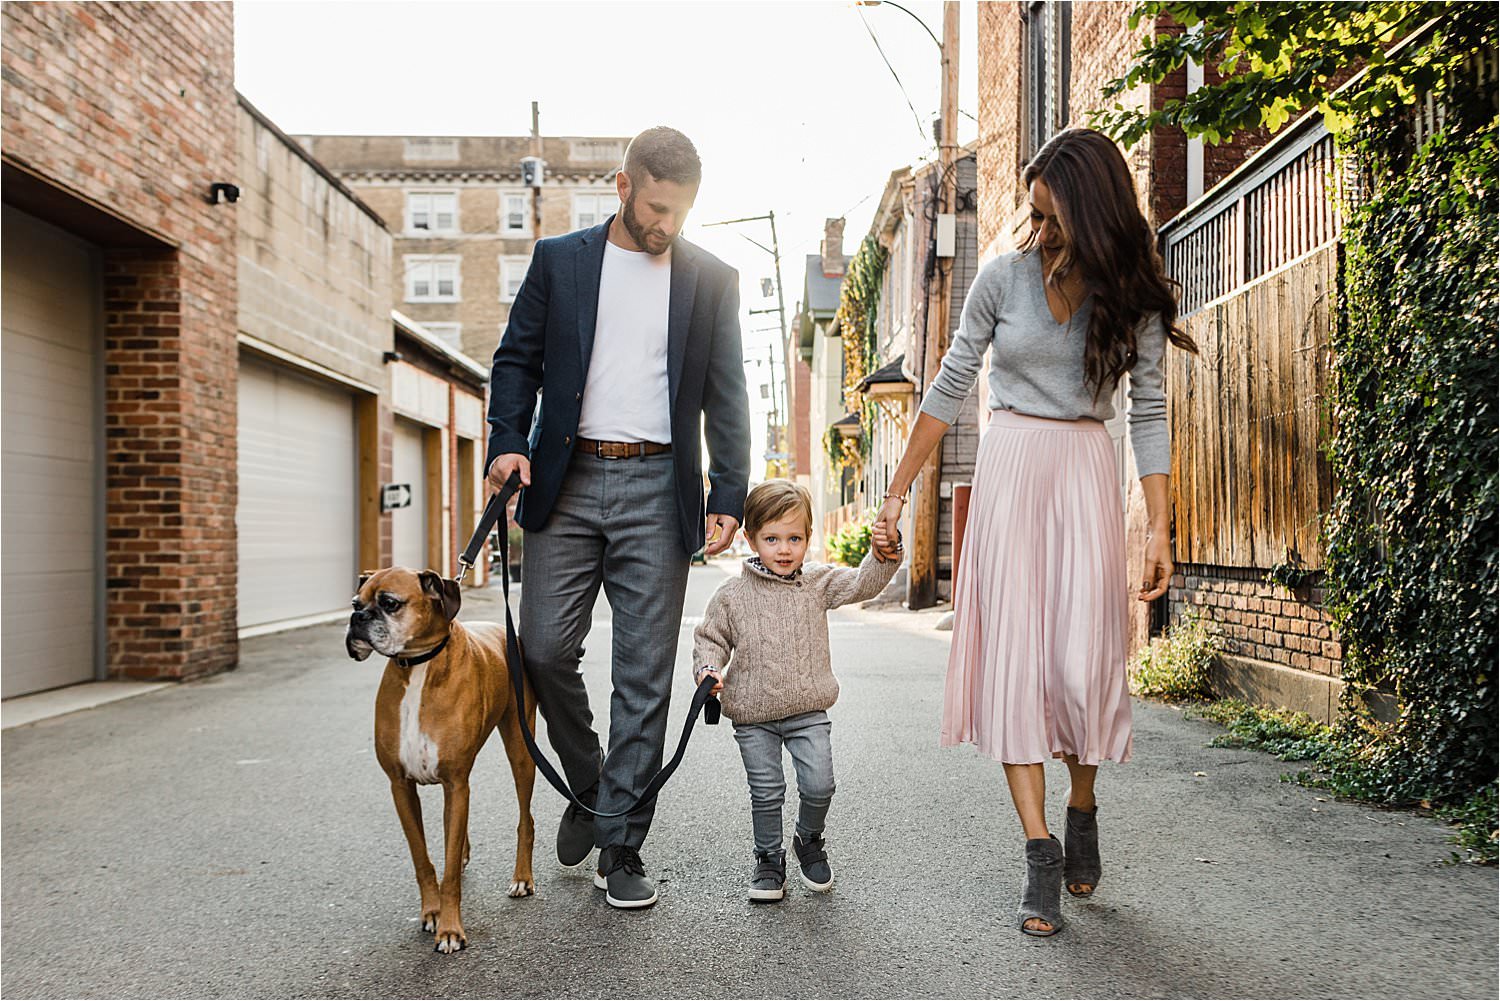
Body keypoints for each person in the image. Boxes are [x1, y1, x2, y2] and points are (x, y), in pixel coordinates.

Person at [872, 127, 1196, 936]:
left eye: (1052, 218)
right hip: (1012, 469)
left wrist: (1158, 527)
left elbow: (1149, 415)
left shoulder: (1132, 297)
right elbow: (948, 388)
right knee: (1018, 660)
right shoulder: (1000, 279)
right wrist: (894, 493)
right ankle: (1040, 849)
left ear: (1091, 216)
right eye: (1034, 215)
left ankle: (1081, 804)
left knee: (1083, 666)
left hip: (1086, 474)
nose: (1038, 231)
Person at [484, 126, 750, 910]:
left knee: (643, 677)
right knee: (538, 647)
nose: (668, 225)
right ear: (624, 185)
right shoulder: (560, 262)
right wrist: (507, 440)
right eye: (659, 206)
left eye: (682, 211)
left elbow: (729, 393)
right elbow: (514, 361)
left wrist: (728, 493)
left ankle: (622, 842)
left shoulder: (710, 279)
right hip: (565, 481)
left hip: (659, 486)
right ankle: (596, 779)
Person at [692, 480, 901, 901]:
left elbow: (862, 583)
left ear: (808, 539)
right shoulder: (732, 595)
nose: (784, 550)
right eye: (771, 539)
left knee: (820, 784)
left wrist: (882, 556)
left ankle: (808, 838)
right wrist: (709, 670)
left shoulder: (818, 583)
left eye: (794, 539)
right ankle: (769, 859)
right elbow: (709, 638)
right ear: (750, 538)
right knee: (767, 792)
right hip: (753, 717)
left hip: (808, 710)